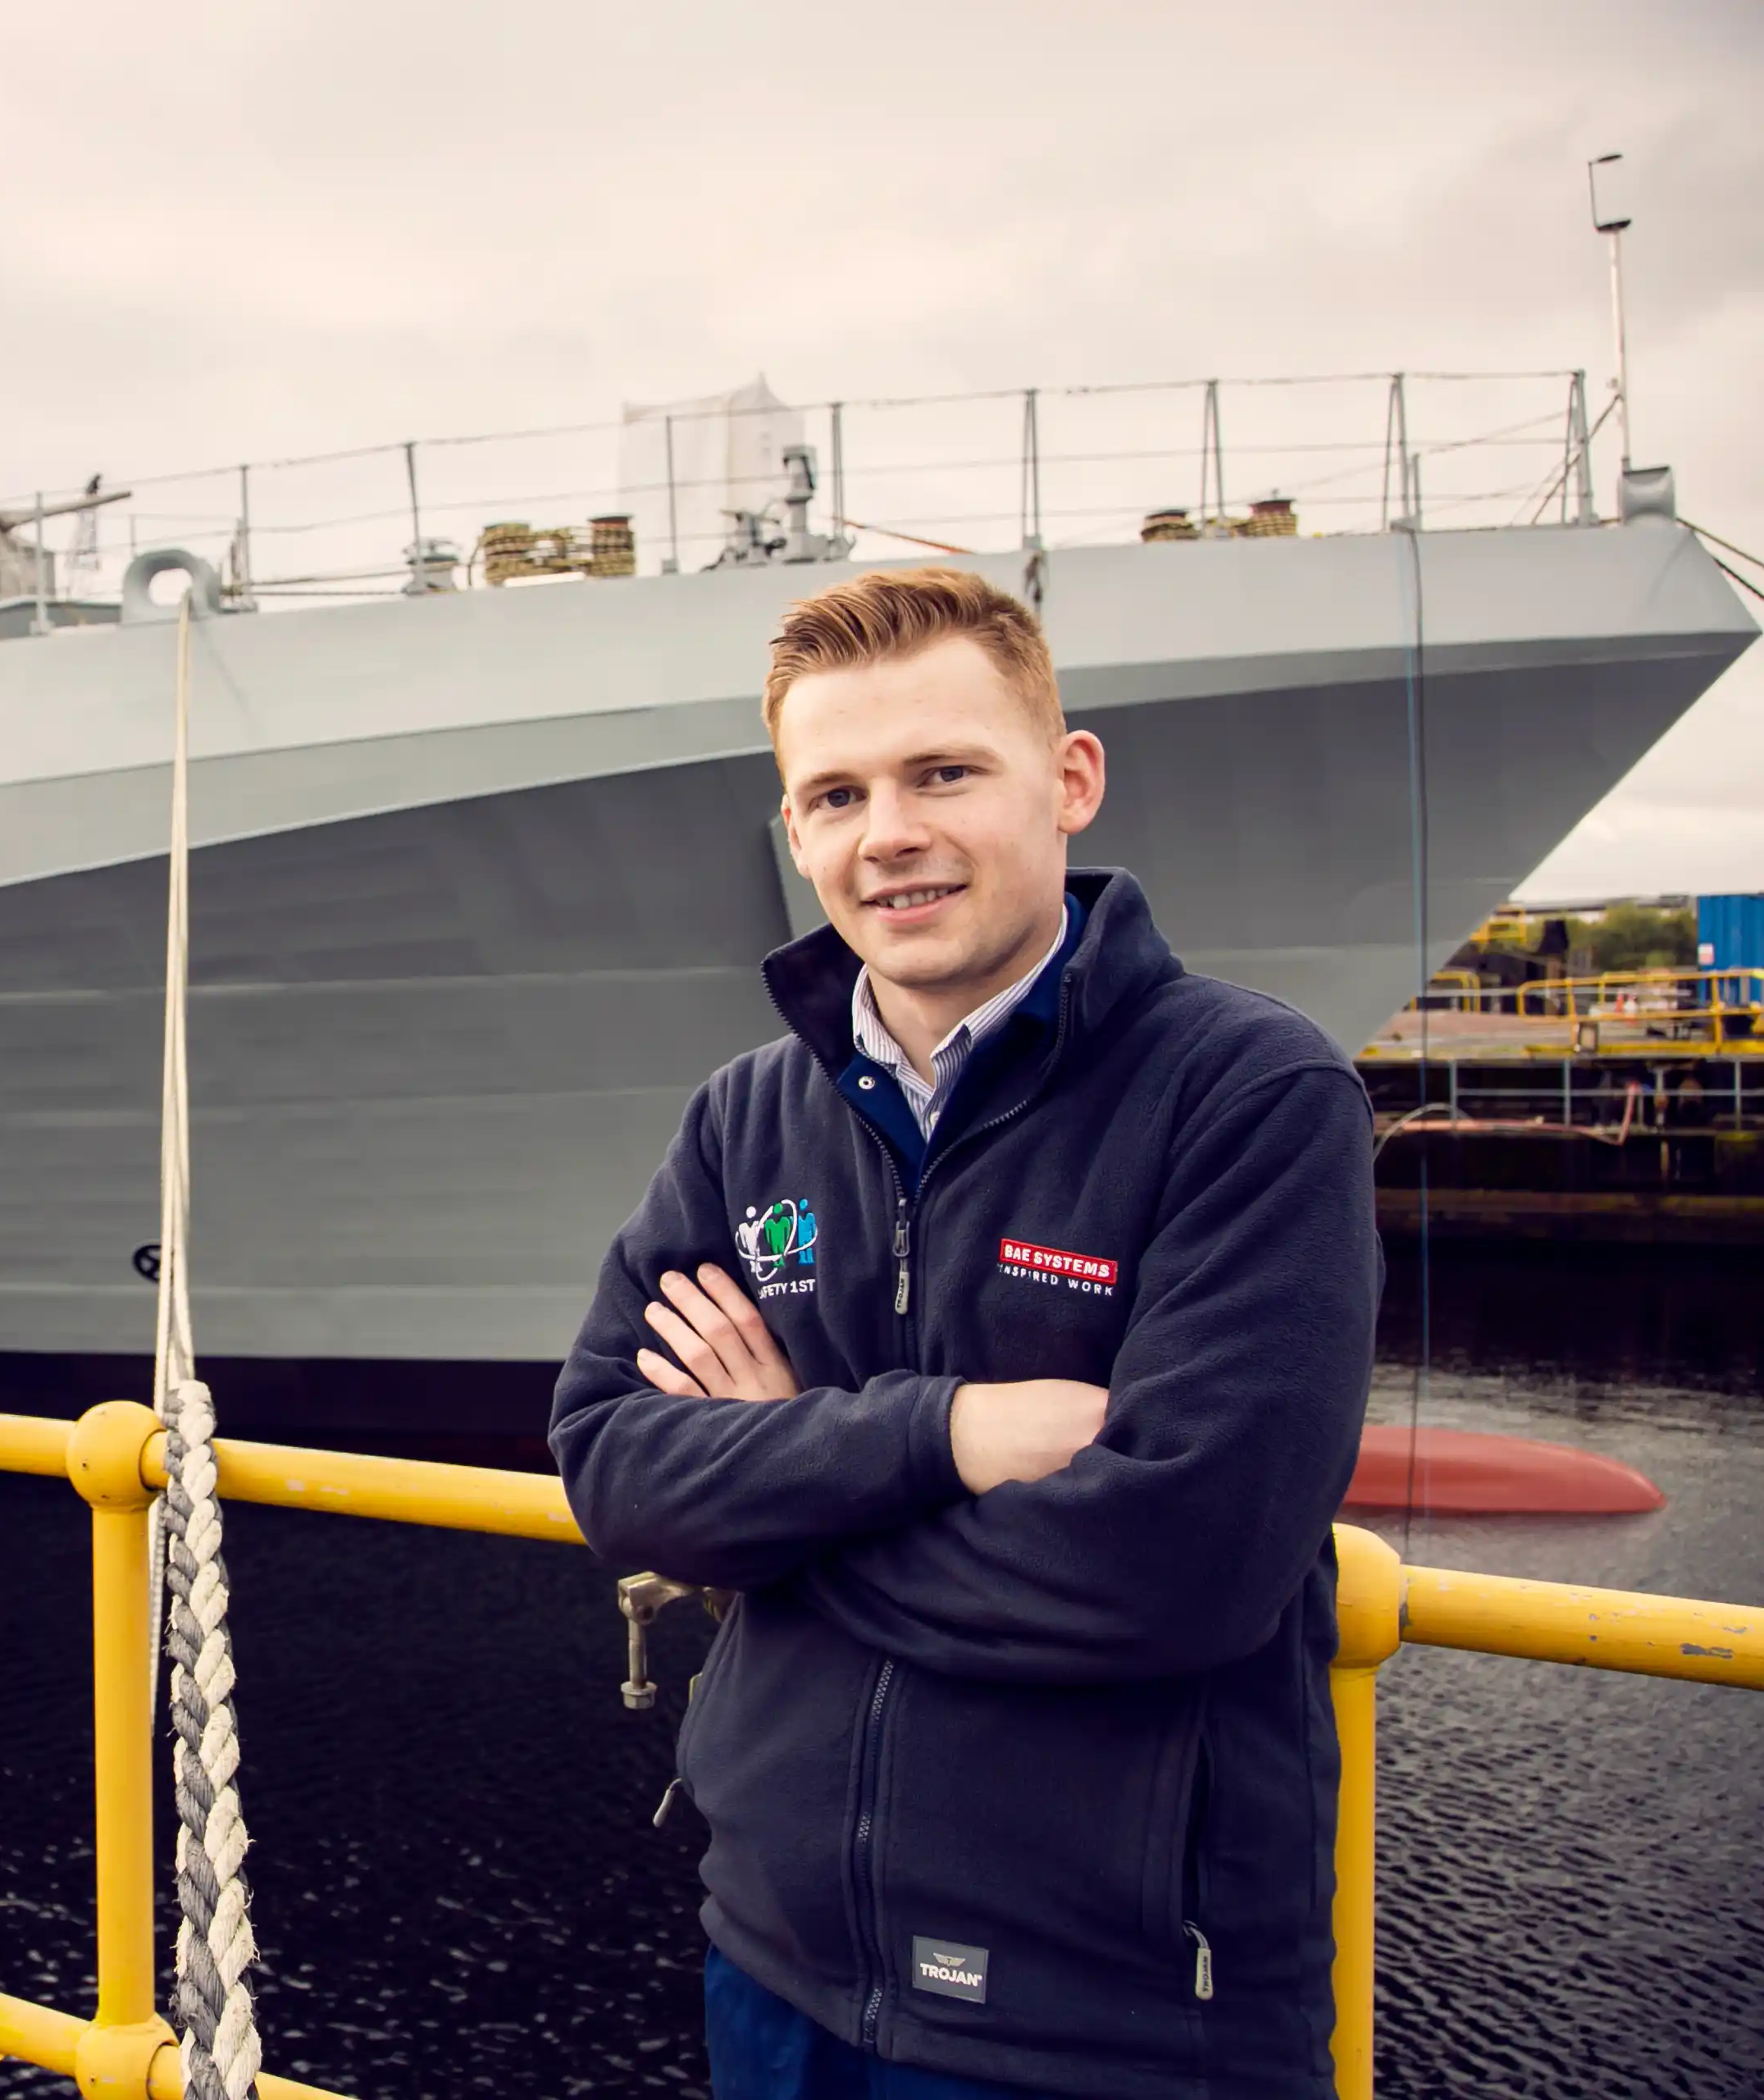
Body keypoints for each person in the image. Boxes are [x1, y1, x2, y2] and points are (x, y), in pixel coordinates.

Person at [549, 566, 1377, 2100]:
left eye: (944, 771)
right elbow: (610, 1464)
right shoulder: (748, 1117)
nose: (891, 834)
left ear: (1069, 783)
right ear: (794, 833)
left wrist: (776, 1501)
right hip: (778, 1964)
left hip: (1112, 2022)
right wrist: (945, 1436)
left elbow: (1181, 1570)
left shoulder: (1247, 1094)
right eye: (838, 792)